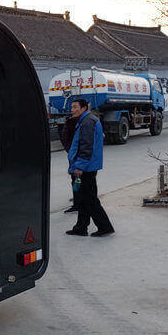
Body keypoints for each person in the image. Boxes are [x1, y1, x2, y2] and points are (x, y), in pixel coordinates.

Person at [66, 98, 115, 237]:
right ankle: (81, 227)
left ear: (83, 108)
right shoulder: (87, 120)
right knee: (83, 198)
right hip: (87, 165)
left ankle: (105, 226)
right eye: (72, 107)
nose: (72, 110)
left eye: (75, 107)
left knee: (90, 199)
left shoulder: (87, 122)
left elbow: (86, 146)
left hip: (86, 167)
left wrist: (79, 166)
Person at [59, 113, 80, 214]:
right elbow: (64, 138)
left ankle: (79, 201)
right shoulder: (71, 122)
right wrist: (70, 151)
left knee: (79, 179)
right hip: (74, 155)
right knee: (76, 179)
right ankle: (77, 201)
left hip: (78, 155)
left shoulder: (86, 122)